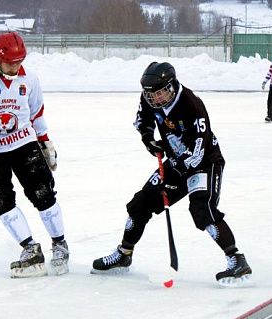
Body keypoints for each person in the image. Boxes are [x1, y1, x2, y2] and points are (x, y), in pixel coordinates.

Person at [91, 62, 253, 287]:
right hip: (176, 160)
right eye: (151, 95)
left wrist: (175, 175)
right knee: (140, 203)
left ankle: (236, 259)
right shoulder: (149, 98)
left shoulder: (191, 105)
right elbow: (142, 121)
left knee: (202, 209)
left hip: (205, 162)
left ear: (172, 86)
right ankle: (124, 253)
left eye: (160, 94)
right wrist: (149, 140)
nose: (155, 99)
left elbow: (198, 151)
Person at [0, 32, 68, 278]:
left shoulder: (29, 79)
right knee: (0, 201)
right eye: (11, 62)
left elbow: (37, 113)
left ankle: (60, 244)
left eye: (20, 61)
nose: (16, 66)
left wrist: (45, 143)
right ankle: (30, 249)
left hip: (24, 143)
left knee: (43, 192)